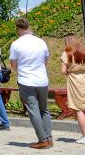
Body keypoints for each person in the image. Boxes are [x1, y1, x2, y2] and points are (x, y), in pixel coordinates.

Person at [9, 17, 52, 149]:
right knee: (44, 109)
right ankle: (49, 138)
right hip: (42, 80)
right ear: (29, 27)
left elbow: (13, 64)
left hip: (26, 80)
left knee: (33, 110)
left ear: (18, 29)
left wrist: (22, 71)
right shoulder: (41, 42)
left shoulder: (16, 44)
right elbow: (46, 61)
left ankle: (42, 140)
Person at [62, 35, 85, 144]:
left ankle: (84, 136)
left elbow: (63, 71)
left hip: (74, 80)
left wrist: (70, 71)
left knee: (79, 109)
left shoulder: (66, 54)